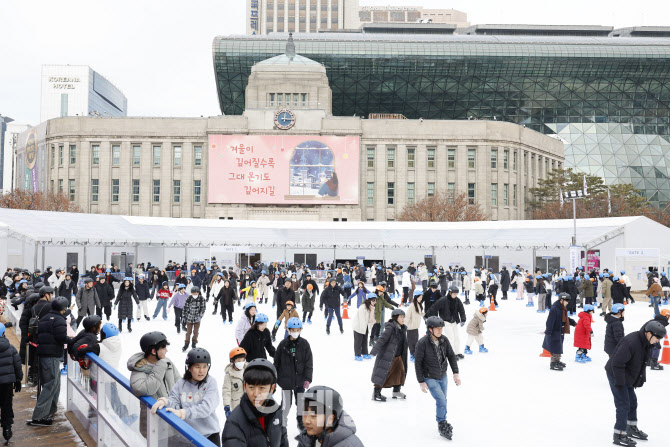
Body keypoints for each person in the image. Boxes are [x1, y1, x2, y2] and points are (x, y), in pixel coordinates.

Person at [605, 320, 667, 446]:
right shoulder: (631, 342)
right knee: (623, 404)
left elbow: (641, 363)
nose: (658, 341)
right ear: (649, 333)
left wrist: (639, 379)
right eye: (657, 338)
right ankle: (619, 434)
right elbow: (617, 363)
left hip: (626, 373)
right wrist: (620, 383)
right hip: (616, 373)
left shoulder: (645, 342)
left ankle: (631, 428)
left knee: (632, 401)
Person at [151, 348, 221, 446]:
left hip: (209, 435)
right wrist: (165, 402)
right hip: (188, 435)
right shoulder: (181, 383)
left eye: (205, 366)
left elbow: (206, 408)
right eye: (197, 367)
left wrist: (183, 412)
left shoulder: (210, 383)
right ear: (189, 368)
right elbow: (174, 402)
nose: (202, 371)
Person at [221, 358, 289, 446]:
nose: (256, 394)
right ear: (244, 387)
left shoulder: (278, 414)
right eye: (251, 387)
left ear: (272, 388)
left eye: (262, 388)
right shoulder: (234, 423)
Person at [414, 316, 460, 440]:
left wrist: (455, 373)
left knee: (443, 400)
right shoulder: (422, 343)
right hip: (430, 377)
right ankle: (442, 423)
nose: (440, 331)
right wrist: (421, 381)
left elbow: (451, 356)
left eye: (441, 328)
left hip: (443, 375)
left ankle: (442, 421)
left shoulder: (444, 340)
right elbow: (417, 363)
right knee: (441, 400)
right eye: (437, 328)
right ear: (430, 329)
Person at [130, 331, 180, 438]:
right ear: (153, 351)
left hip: (172, 418)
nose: (166, 350)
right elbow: (141, 389)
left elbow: (180, 382)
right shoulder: (139, 369)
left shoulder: (166, 362)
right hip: (153, 423)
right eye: (163, 348)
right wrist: (160, 366)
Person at [30, 296, 71, 426]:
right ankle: (39, 416)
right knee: (50, 385)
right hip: (51, 355)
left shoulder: (45, 318)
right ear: (63, 308)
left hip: (44, 354)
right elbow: (60, 338)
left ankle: (50, 410)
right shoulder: (59, 319)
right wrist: (72, 340)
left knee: (55, 384)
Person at [274, 317, 313, 430]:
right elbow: (276, 362)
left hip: (300, 381)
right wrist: (274, 378)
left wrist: (308, 378)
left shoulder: (304, 344)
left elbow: (309, 363)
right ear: (288, 330)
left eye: (298, 330)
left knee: (301, 403)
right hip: (285, 381)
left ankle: (301, 422)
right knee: (286, 404)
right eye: (293, 330)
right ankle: (282, 422)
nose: (295, 332)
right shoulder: (283, 345)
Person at [296, 386, 363, 447]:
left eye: (313, 416)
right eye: (305, 414)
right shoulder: (307, 439)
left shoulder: (350, 445)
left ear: (330, 419)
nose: (306, 421)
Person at [371, 308, 408, 402]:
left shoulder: (402, 328)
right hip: (389, 356)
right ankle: (376, 393)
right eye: (401, 317)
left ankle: (396, 391)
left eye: (403, 317)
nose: (403, 319)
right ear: (395, 318)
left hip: (399, 356)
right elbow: (382, 339)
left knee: (400, 373)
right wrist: (374, 350)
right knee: (383, 373)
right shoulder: (390, 327)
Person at [426, 286, 466, 359]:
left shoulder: (457, 300)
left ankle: (457, 352)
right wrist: (426, 315)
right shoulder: (443, 300)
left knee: (457, 337)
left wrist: (463, 319)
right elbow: (434, 307)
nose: (455, 295)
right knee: (451, 338)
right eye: (454, 294)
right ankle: (452, 354)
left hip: (454, 321)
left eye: (456, 294)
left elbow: (461, 310)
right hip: (445, 321)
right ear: (450, 292)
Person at [0, 322, 23, 443]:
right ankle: (7, 430)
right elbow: (17, 365)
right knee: (6, 405)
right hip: (7, 383)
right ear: (4, 333)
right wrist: (18, 380)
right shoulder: (10, 348)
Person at [542, 292, 577, 371]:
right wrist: (549, 332)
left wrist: (573, 323)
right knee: (556, 347)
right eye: (566, 300)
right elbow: (549, 321)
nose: (568, 302)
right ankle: (553, 363)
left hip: (560, 330)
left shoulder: (562, 308)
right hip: (555, 331)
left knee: (559, 347)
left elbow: (565, 318)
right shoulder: (555, 308)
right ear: (561, 300)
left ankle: (557, 361)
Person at [223, 347, 247, 417]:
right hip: (236, 405)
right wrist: (227, 407)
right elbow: (226, 391)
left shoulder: (248, 370)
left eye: (243, 361)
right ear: (232, 361)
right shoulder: (229, 375)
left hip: (248, 404)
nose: (241, 363)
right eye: (239, 361)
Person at [352, 292, 376, 361]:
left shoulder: (372, 308)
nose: (374, 302)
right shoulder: (363, 307)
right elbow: (362, 319)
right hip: (358, 326)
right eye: (373, 300)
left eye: (375, 300)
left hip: (365, 327)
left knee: (365, 340)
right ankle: (357, 355)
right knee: (358, 341)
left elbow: (371, 318)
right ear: (369, 300)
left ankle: (365, 353)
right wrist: (363, 330)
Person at [182, 287, 206, 352]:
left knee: (195, 332)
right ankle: (186, 344)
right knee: (188, 332)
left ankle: (194, 344)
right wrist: (184, 316)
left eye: (195, 293)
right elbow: (185, 307)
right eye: (193, 293)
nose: (194, 294)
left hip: (197, 319)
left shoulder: (201, 299)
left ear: (198, 292)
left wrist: (200, 316)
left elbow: (203, 309)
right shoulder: (189, 298)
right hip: (189, 318)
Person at [405, 290, 424, 361]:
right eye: (419, 297)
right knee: (411, 342)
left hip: (416, 327)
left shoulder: (418, 304)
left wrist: (425, 315)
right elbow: (407, 316)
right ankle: (411, 354)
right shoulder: (412, 305)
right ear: (416, 297)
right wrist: (404, 326)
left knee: (416, 341)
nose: (421, 298)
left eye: (421, 297)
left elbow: (420, 313)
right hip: (410, 327)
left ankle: (415, 353)